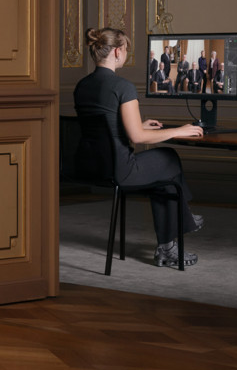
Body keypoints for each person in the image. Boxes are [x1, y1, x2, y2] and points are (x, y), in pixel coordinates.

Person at [73, 26, 204, 268]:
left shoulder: (82, 86)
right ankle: (182, 221)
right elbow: (138, 137)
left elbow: (103, 129)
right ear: (117, 52)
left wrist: (138, 125)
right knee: (169, 158)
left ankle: (171, 241)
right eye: (126, 50)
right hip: (121, 170)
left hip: (91, 167)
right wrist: (179, 130)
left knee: (163, 179)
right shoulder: (123, 87)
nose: (126, 54)